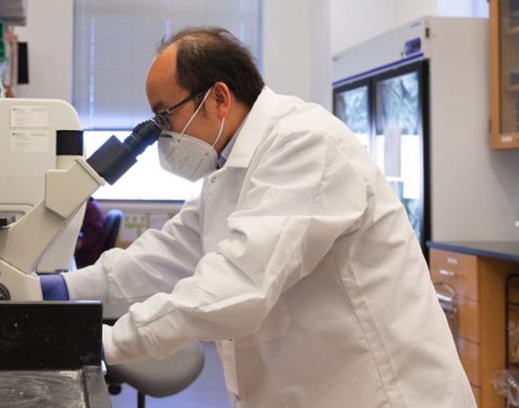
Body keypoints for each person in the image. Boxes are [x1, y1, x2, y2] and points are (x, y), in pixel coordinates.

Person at [42, 27, 473, 407]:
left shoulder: (304, 144)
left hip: (381, 391)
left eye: (164, 116)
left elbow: (238, 285)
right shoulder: (229, 169)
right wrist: (60, 290)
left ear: (218, 98)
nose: (163, 135)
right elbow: (167, 254)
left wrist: (106, 342)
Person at [74, 197, 107, 268]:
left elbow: (87, 243)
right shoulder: (91, 205)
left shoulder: (89, 209)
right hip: (89, 254)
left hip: (87, 259)